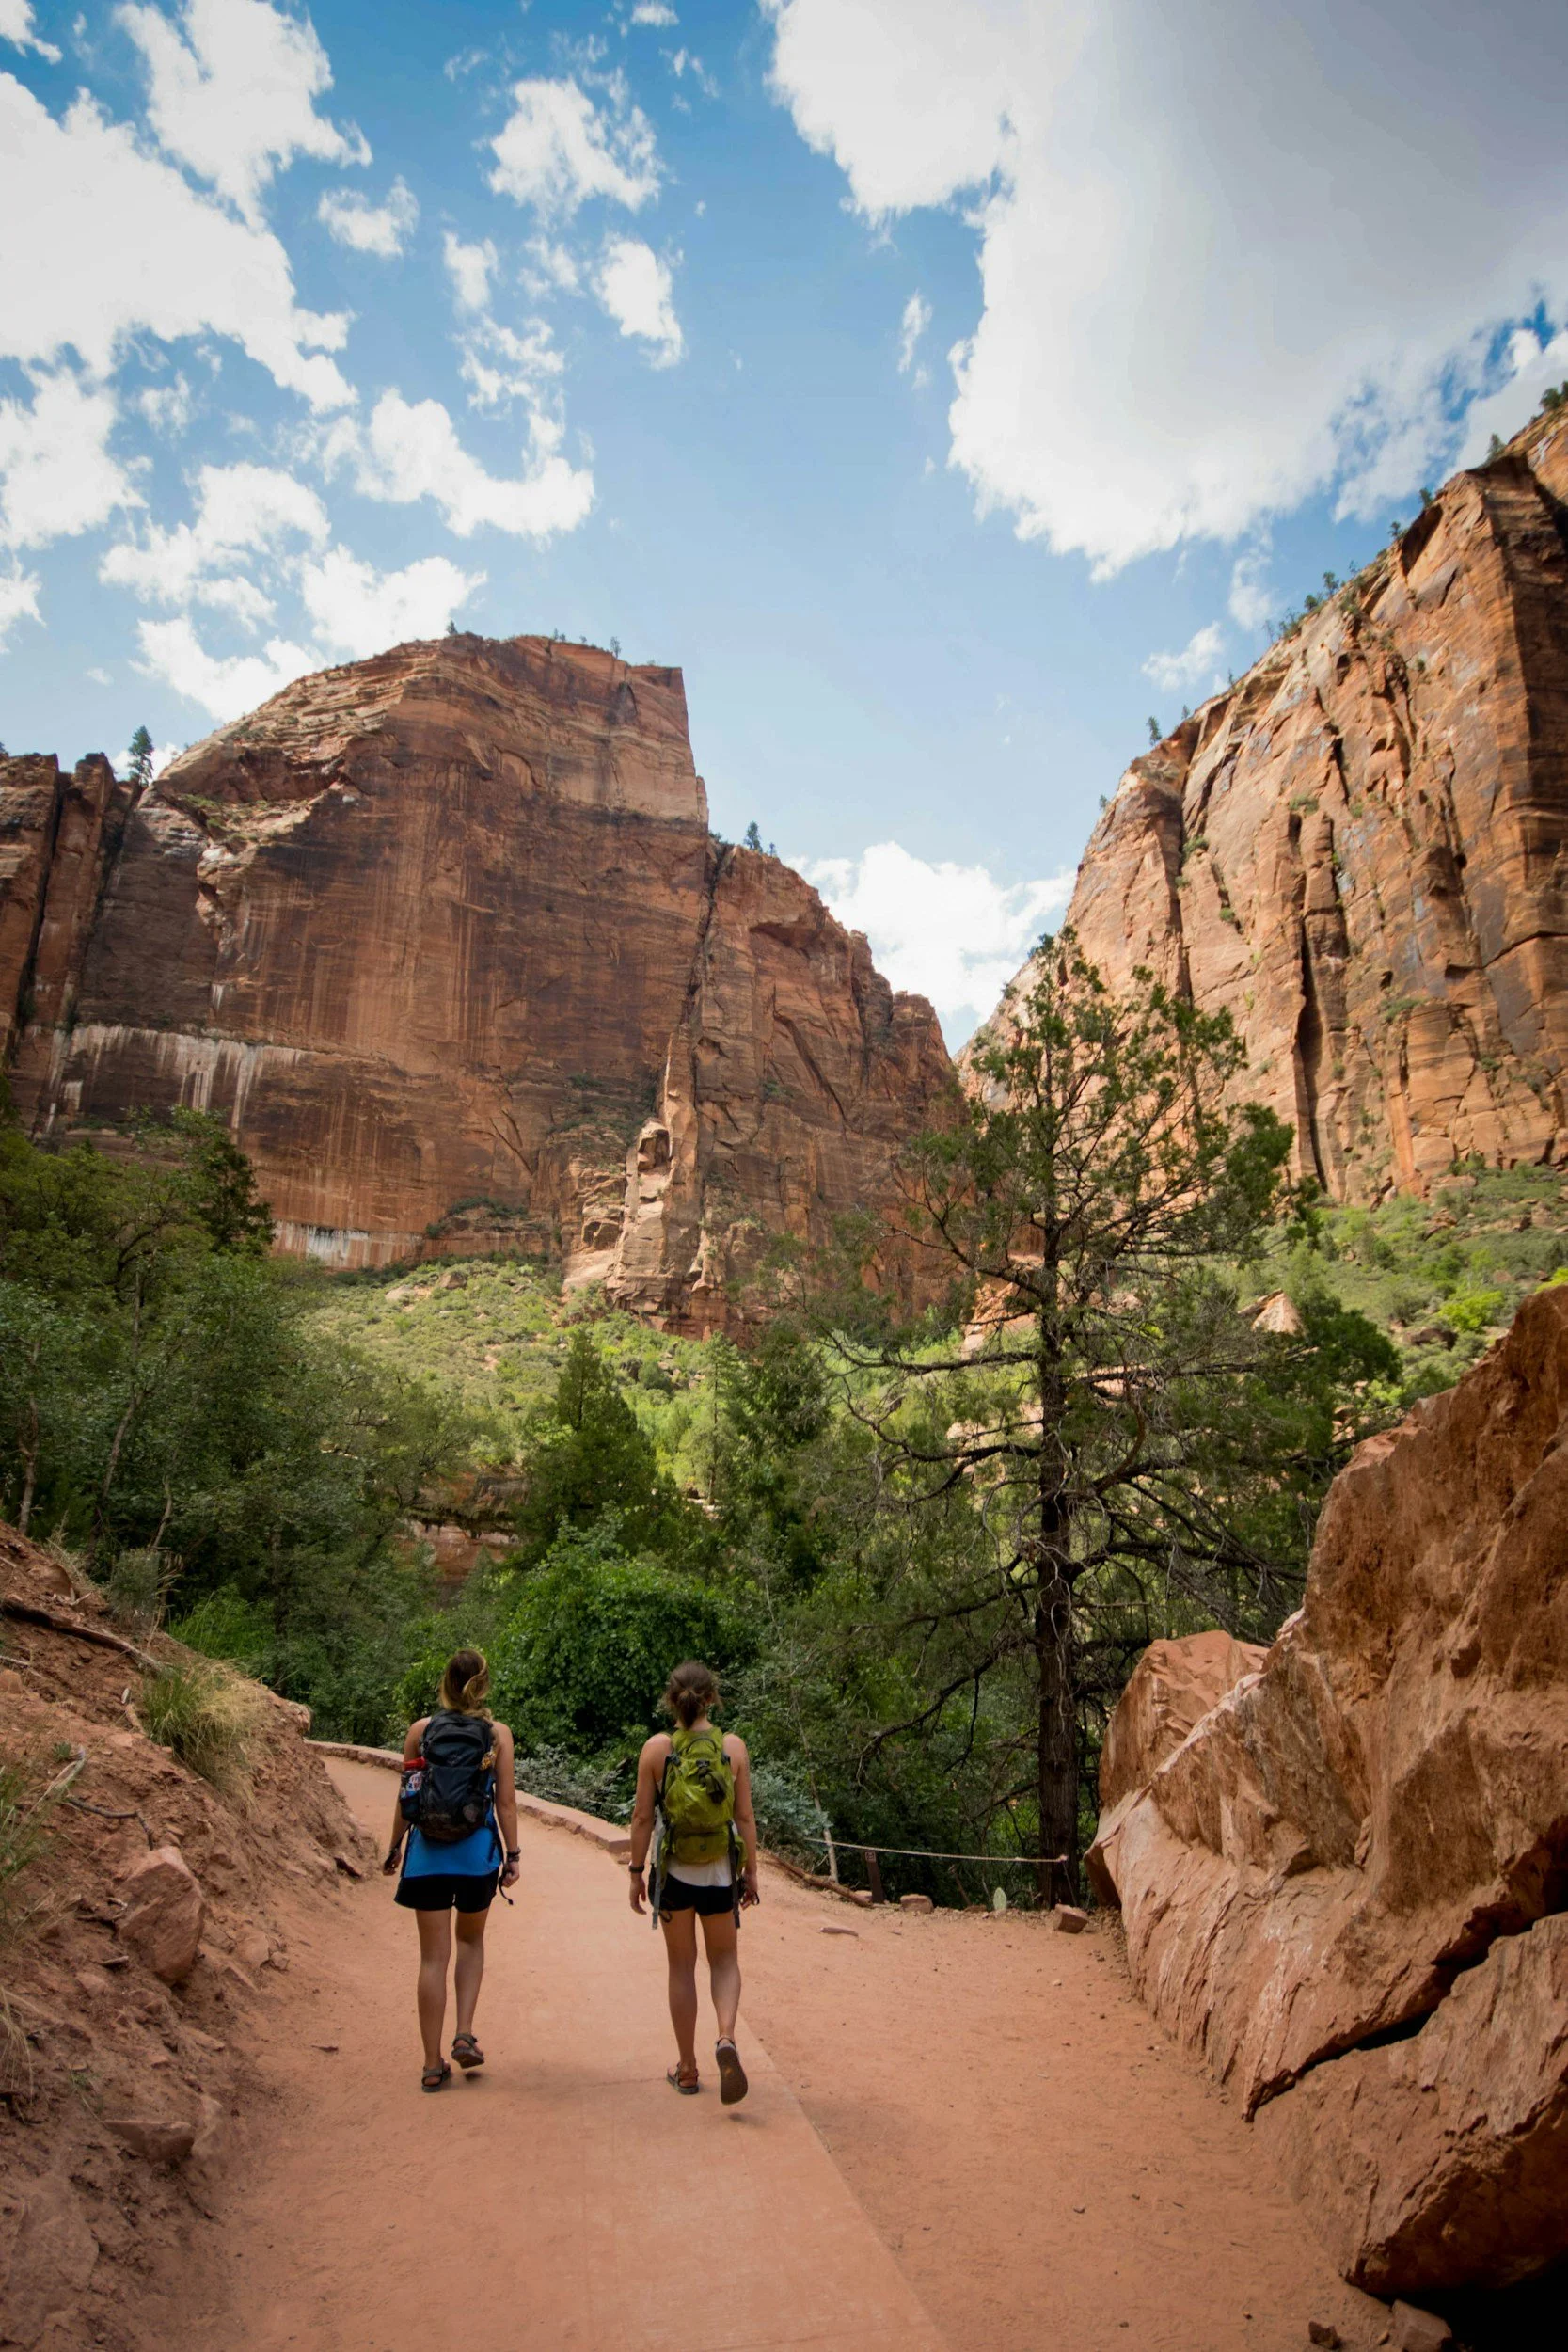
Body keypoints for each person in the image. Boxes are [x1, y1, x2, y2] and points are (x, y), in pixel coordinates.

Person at [383, 1648, 520, 2091]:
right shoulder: (497, 1734)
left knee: (432, 1958)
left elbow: (408, 1798)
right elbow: (506, 1802)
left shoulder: (420, 1732)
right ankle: (464, 2031)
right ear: (483, 1686)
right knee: (470, 1941)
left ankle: (430, 2063)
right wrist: (513, 1855)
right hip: (476, 1855)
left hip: (427, 1858)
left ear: (444, 1682)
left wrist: (394, 1849)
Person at [627, 1660, 759, 2103]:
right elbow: (743, 1817)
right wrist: (752, 1872)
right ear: (712, 1697)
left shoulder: (656, 1750)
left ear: (672, 1698)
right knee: (724, 1961)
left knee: (681, 1966)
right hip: (720, 1871)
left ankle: (687, 2069)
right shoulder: (732, 1748)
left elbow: (643, 1817)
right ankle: (725, 2038)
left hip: (675, 1872)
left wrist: (634, 1873)